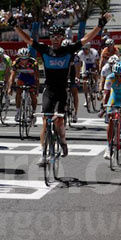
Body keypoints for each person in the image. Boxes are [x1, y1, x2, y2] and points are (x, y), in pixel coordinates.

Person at [13, 13, 110, 162]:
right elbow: (27, 39)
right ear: (50, 38)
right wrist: (14, 25)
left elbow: (86, 39)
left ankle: (63, 141)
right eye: (53, 36)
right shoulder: (46, 50)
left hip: (61, 91)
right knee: (46, 120)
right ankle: (43, 153)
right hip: (49, 90)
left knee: (58, 120)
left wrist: (100, 25)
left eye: (59, 36)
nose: (56, 39)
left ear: (63, 38)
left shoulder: (68, 50)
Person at [6, 47, 39, 123]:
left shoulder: (33, 62)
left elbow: (37, 77)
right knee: (18, 92)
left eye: (26, 58)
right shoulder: (16, 62)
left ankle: (34, 112)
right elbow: (12, 76)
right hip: (22, 77)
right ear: (19, 57)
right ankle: (18, 112)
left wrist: (37, 88)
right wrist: (10, 87)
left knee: (33, 95)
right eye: (22, 59)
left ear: (29, 57)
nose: (24, 61)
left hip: (31, 78)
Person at [77, 42, 99, 109]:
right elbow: (79, 64)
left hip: (93, 64)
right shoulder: (80, 54)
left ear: (89, 49)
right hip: (85, 65)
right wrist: (79, 72)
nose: (84, 51)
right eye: (83, 49)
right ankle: (86, 99)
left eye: (86, 49)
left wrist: (96, 71)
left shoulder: (94, 52)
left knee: (94, 73)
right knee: (84, 81)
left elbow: (97, 62)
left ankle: (96, 84)